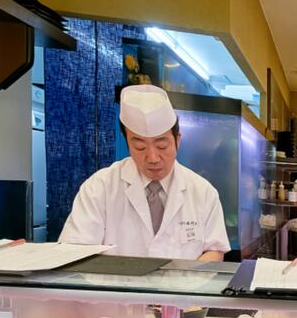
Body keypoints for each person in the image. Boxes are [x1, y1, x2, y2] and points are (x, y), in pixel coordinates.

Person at [60, 84, 230, 260]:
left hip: (183, 286)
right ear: (127, 142)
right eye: (140, 147)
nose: (153, 157)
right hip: (115, 287)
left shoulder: (203, 192)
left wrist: (188, 284)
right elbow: (75, 250)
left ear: (177, 141)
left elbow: (214, 250)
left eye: (162, 145)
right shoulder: (99, 187)